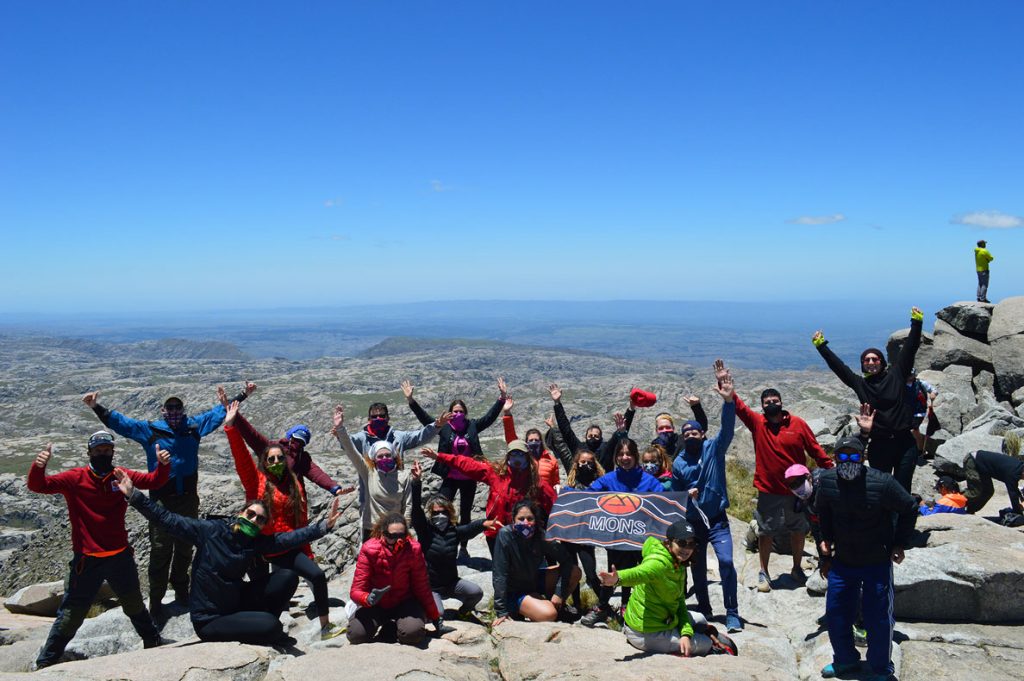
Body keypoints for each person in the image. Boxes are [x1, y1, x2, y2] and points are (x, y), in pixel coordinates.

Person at [82, 383, 254, 616]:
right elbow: (121, 424)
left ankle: (182, 592)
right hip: (161, 500)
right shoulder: (151, 430)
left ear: (182, 410)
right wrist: (96, 406)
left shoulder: (192, 427)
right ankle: (156, 601)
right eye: (169, 407)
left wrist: (243, 394)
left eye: (177, 407)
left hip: (188, 498)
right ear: (163, 411)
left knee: (185, 546)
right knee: (161, 549)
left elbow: (219, 412)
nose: (174, 411)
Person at [119, 469, 344, 645]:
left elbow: (287, 539)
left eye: (260, 520)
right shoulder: (210, 531)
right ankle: (263, 625)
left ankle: (258, 623)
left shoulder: (254, 542)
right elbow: (168, 520)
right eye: (251, 514)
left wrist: (324, 526)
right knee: (271, 627)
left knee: (287, 577)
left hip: (235, 602)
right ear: (240, 514)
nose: (254, 520)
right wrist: (135, 496)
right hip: (210, 618)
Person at [27, 435, 169, 669]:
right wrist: (39, 466)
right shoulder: (75, 478)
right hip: (87, 561)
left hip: (119, 556)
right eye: (98, 450)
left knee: (134, 604)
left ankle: (153, 643)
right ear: (89, 452)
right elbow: (38, 486)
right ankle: (46, 662)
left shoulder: (120, 475)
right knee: (72, 614)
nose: (103, 453)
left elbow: (154, 481)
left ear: (113, 451)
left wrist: (163, 465)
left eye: (107, 449)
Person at [224, 401, 346, 640]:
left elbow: (316, 473)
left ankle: (325, 628)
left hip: (282, 543)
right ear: (264, 460)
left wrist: (335, 488)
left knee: (317, 575)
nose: (277, 462)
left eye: (281, 459)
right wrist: (232, 424)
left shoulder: (293, 479)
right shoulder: (255, 479)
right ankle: (262, 630)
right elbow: (243, 449)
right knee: (263, 592)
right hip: (257, 546)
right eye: (272, 459)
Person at [815, 434, 918, 680]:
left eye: (854, 456)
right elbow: (821, 514)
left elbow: (909, 507)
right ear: (835, 457)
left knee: (878, 618)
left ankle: (881, 668)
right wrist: (823, 545)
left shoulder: (882, 482)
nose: (848, 460)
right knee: (836, 613)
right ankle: (845, 662)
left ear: (863, 458)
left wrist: (900, 543)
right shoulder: (828, 481)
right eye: (843, 455)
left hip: (876, 561)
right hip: (843, 561)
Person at [812, 306, 924, 492]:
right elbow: (839, 367)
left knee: (903, 488)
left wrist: (917, 322)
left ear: (882, 361)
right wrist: (821, 346)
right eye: (867, 360)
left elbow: (910, 348)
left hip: (905, 443)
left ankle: (903, 520)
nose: (871, 362)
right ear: (863, 365)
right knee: (881, 488)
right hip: (879, 444)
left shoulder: (897, 374)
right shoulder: (860, 384)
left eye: (875, 359)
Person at [734, 387, 833, 593]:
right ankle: (764, 571)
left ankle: (796, 568)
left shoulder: (797, 424)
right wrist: (730, 393)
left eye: (775, 400)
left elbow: (815, 449)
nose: (771, 404)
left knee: (798, 528)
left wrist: (831, 469)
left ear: (781, 402)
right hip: (768, 489)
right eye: (767, 401)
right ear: (762, 406)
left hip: (797, 490)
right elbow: (740, 409)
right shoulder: (758, 423)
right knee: (766, 531)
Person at [403, 377, 507, 559]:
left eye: (460, 411)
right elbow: (424, 418)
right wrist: (411, 400)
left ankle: (463, 547)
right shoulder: (444, 428)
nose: (457, 414)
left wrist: (502, 398)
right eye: (454, 411)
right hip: (450, 476)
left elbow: (489, 418)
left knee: (465, 511)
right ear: (450, 413)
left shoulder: (472, 426)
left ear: (465, 413)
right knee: (440, 507)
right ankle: (437, 541)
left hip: (469, 477)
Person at [671, 359, 740, 632]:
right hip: (694, 524)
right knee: (697, 570)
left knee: (726, 561)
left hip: (717, 519)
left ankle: (732, 611)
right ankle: (705, 608)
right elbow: (675, 497)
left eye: (694, 431)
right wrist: (686, 495)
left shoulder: (713, 449)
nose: (690, 434)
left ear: (702, 433)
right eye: (686, 432)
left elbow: (727, 429)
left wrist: (729, 401)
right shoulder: (678, 463)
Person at [598, 520, 720, 657]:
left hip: (663, 620)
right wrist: (618, 578)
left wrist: (685, 632)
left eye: (691, 544)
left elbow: (679, 601)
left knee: (701, 619)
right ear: (669, 543)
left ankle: (688, 633)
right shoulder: (659, 564)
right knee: (705, 643)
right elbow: (640, 573)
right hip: (644, 632)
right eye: (682, 543)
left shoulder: (678, 564)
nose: (687, 548)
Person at [420, 440, 557, 556]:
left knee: (521, 568)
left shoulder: (535, 482)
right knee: (500, 567)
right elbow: (467, 464)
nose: (517, 457)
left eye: (521, 454)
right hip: (494, 531)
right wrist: (440, 457)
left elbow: (554, 504)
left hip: (523, 533)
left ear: (527, 457)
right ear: (508, 456)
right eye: (513, 453)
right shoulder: (496, 473)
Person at [581, 437, 663, 628]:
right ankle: (602, 608)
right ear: (616, 457)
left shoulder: (649, 481)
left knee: (637, 572)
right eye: (621, 454)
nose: (625, 457)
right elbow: (589, 494)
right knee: (614, 572)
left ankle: (629, 607)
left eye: (628, 454)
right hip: (616, 538)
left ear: (635, 456)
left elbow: (664, 501)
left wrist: (686, 495)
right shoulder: (609, 479)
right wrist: (565, 491)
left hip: (642, 538)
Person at [226, 385, 350, 497]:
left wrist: (334, 488)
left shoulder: (302, 458)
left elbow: (318, 475)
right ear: (289, 437)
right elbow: (251, 434)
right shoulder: (271, 448)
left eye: (301, 442)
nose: (297, 443)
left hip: (292, 503)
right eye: (295, 439)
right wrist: (235, 415)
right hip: (266, 497)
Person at [409, 461, 492, 622]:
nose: (440, 516)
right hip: (431, 587)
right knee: (438, 614)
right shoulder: (425, 531)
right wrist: (416, 483)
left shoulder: (453, 531)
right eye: (435, 513)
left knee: (476, 592)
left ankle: (463, 613)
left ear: (449, 512)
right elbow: (416, 510)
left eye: (444, 512)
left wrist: (483, 523)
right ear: (430, 515)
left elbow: (469, 529)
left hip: (451, 584)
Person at [347, 513, 440, 646]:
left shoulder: (413, 549)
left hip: (404, 602)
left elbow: (422, 586)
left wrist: (435, 616)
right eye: (391, 536)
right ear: (383, 533)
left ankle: (391, 629)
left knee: (412, 635)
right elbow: (356, 589)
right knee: (356, 635)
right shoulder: (369, 549)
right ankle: (388, 627)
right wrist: (367, 598)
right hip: (376, 604)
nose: (397, 541)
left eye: (401, 536)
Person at [491, 500, 581, 626]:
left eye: (530, 518)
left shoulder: (540, 535)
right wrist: (501, 611)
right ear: (513, 519)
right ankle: (521, 610)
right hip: (514, 592)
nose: (525, 523)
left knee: (575, 571)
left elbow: (566, 560)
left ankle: (555, 604)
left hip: (533, 581)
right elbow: (499, 575)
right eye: (521, 519)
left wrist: (559, 593)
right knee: (549, 614)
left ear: (536, 519)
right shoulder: (505, 535)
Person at [332, 405, 414, 541]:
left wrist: (405, 530)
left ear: (394, 456)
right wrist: (340, 429)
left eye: (388, 455)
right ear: (374, 459)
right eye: (380, 456)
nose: (384, 458)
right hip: (372, 528)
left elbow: (408, 505)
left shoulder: (404, 476)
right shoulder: (369, 473)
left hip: (396, 529)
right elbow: (351, 450)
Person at [555, 449, 608, 612]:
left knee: (590, 572)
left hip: (586, 536)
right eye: (583, 462)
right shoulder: (570, 485)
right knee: (571, 570)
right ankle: (576, 604)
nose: (586, 465)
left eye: (590, 462)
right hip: (569, 535)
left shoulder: (600, 484)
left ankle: (604, 605)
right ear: (577, 464)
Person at [548, 383, 633, 472]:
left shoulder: (607, 449)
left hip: (604, 485)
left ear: (601, 438)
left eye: (596, 436)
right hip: (582, 485)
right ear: (585, 437)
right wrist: (557, 403)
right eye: (590, 436)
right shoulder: (579, 448)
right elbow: (565, 429)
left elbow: (621, 430)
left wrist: (631, 410)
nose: (593, 437)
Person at [501, 397, 561, 487]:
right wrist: (507, 413)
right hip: (525, 497)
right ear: (526, 442)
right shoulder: (523, 457)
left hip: (545, 498)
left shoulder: (551, 460)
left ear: (541, 441)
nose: (534, 442)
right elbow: (511, 438)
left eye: (536, 440)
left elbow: (555, 483)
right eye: (531, 440)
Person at [960, 449, 1024, 515]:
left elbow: (1015, 489)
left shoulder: (1018, 468)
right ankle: (953, 502)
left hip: (982, 467)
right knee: (975, 491)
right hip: (973, 461)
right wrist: (1018, 513)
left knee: (988, 491)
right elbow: (1013, 494)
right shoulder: (1013, 473)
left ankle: (969, 511)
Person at [904, 370, 938, 453]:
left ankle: (920, 449)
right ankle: (914, 447)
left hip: (919, 411)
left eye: (911, 374)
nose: (909, 376)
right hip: (905, 411)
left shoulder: (920, 383)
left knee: (914, 429)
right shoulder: (900, 383)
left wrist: (933, 393)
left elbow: (933, 390)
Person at [975, 239, 993, 303]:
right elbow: (991, 258)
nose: (985, 244)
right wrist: (987, 260)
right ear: (982, 244)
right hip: (984, 269)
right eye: (984, 243)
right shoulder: (984, 251)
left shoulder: (976, 251)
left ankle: (979, 297)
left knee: (980, 283)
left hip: (978, 269)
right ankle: (983, 298)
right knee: (985, 284)